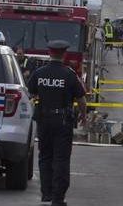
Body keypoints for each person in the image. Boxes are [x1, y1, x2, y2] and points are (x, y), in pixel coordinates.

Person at [27, 40, 87, 206]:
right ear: (64, 54)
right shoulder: (69, 74)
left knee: (45, 157)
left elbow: (30, 92)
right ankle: (58, 197)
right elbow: (82, 99)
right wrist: (83, 116)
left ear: (49, 53)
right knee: (61, 158)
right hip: (62, 122)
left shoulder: (39, 73)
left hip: (44, 121)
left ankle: (46, 194)